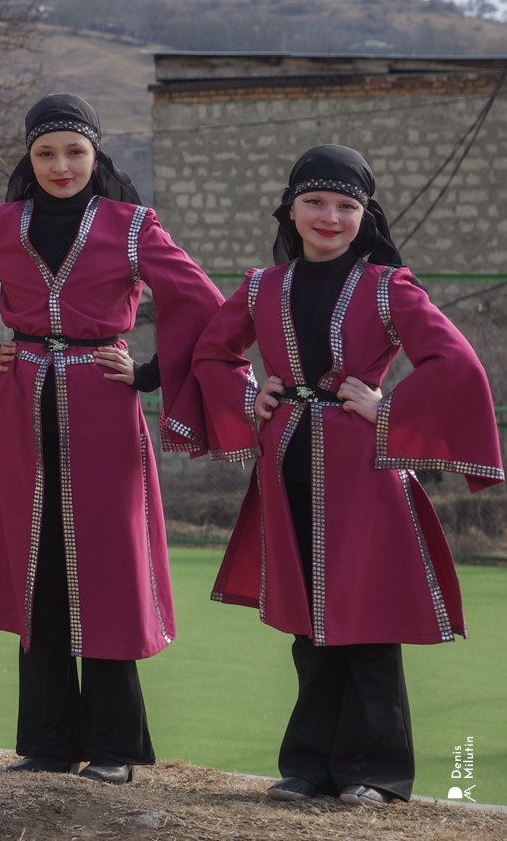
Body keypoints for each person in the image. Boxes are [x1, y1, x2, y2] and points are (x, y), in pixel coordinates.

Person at [173, 145, 502, 806]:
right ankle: (309, 767)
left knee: (369, 622)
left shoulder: (388, 285)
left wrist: (390, 408)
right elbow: (212, 351)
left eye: (347, 206)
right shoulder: (262, 287)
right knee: (309, 624)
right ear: (291, 210)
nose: (330, 216)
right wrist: (249, 398)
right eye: (316, 203)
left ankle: (376, 773)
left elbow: (455, 362)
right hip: (286, 466)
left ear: (365, 215)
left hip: (366, 473)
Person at [0, 95, 222, 784]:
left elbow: (205, 303)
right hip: (22, 401)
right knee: (34, 565)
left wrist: (151, 372)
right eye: (45, 153)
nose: (60, 166)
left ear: (96, 155)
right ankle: (47, 744)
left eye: (73, 152)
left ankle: (117, 749)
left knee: (106, 569)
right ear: (28, 158)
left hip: (104, 403)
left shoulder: (132, 226)